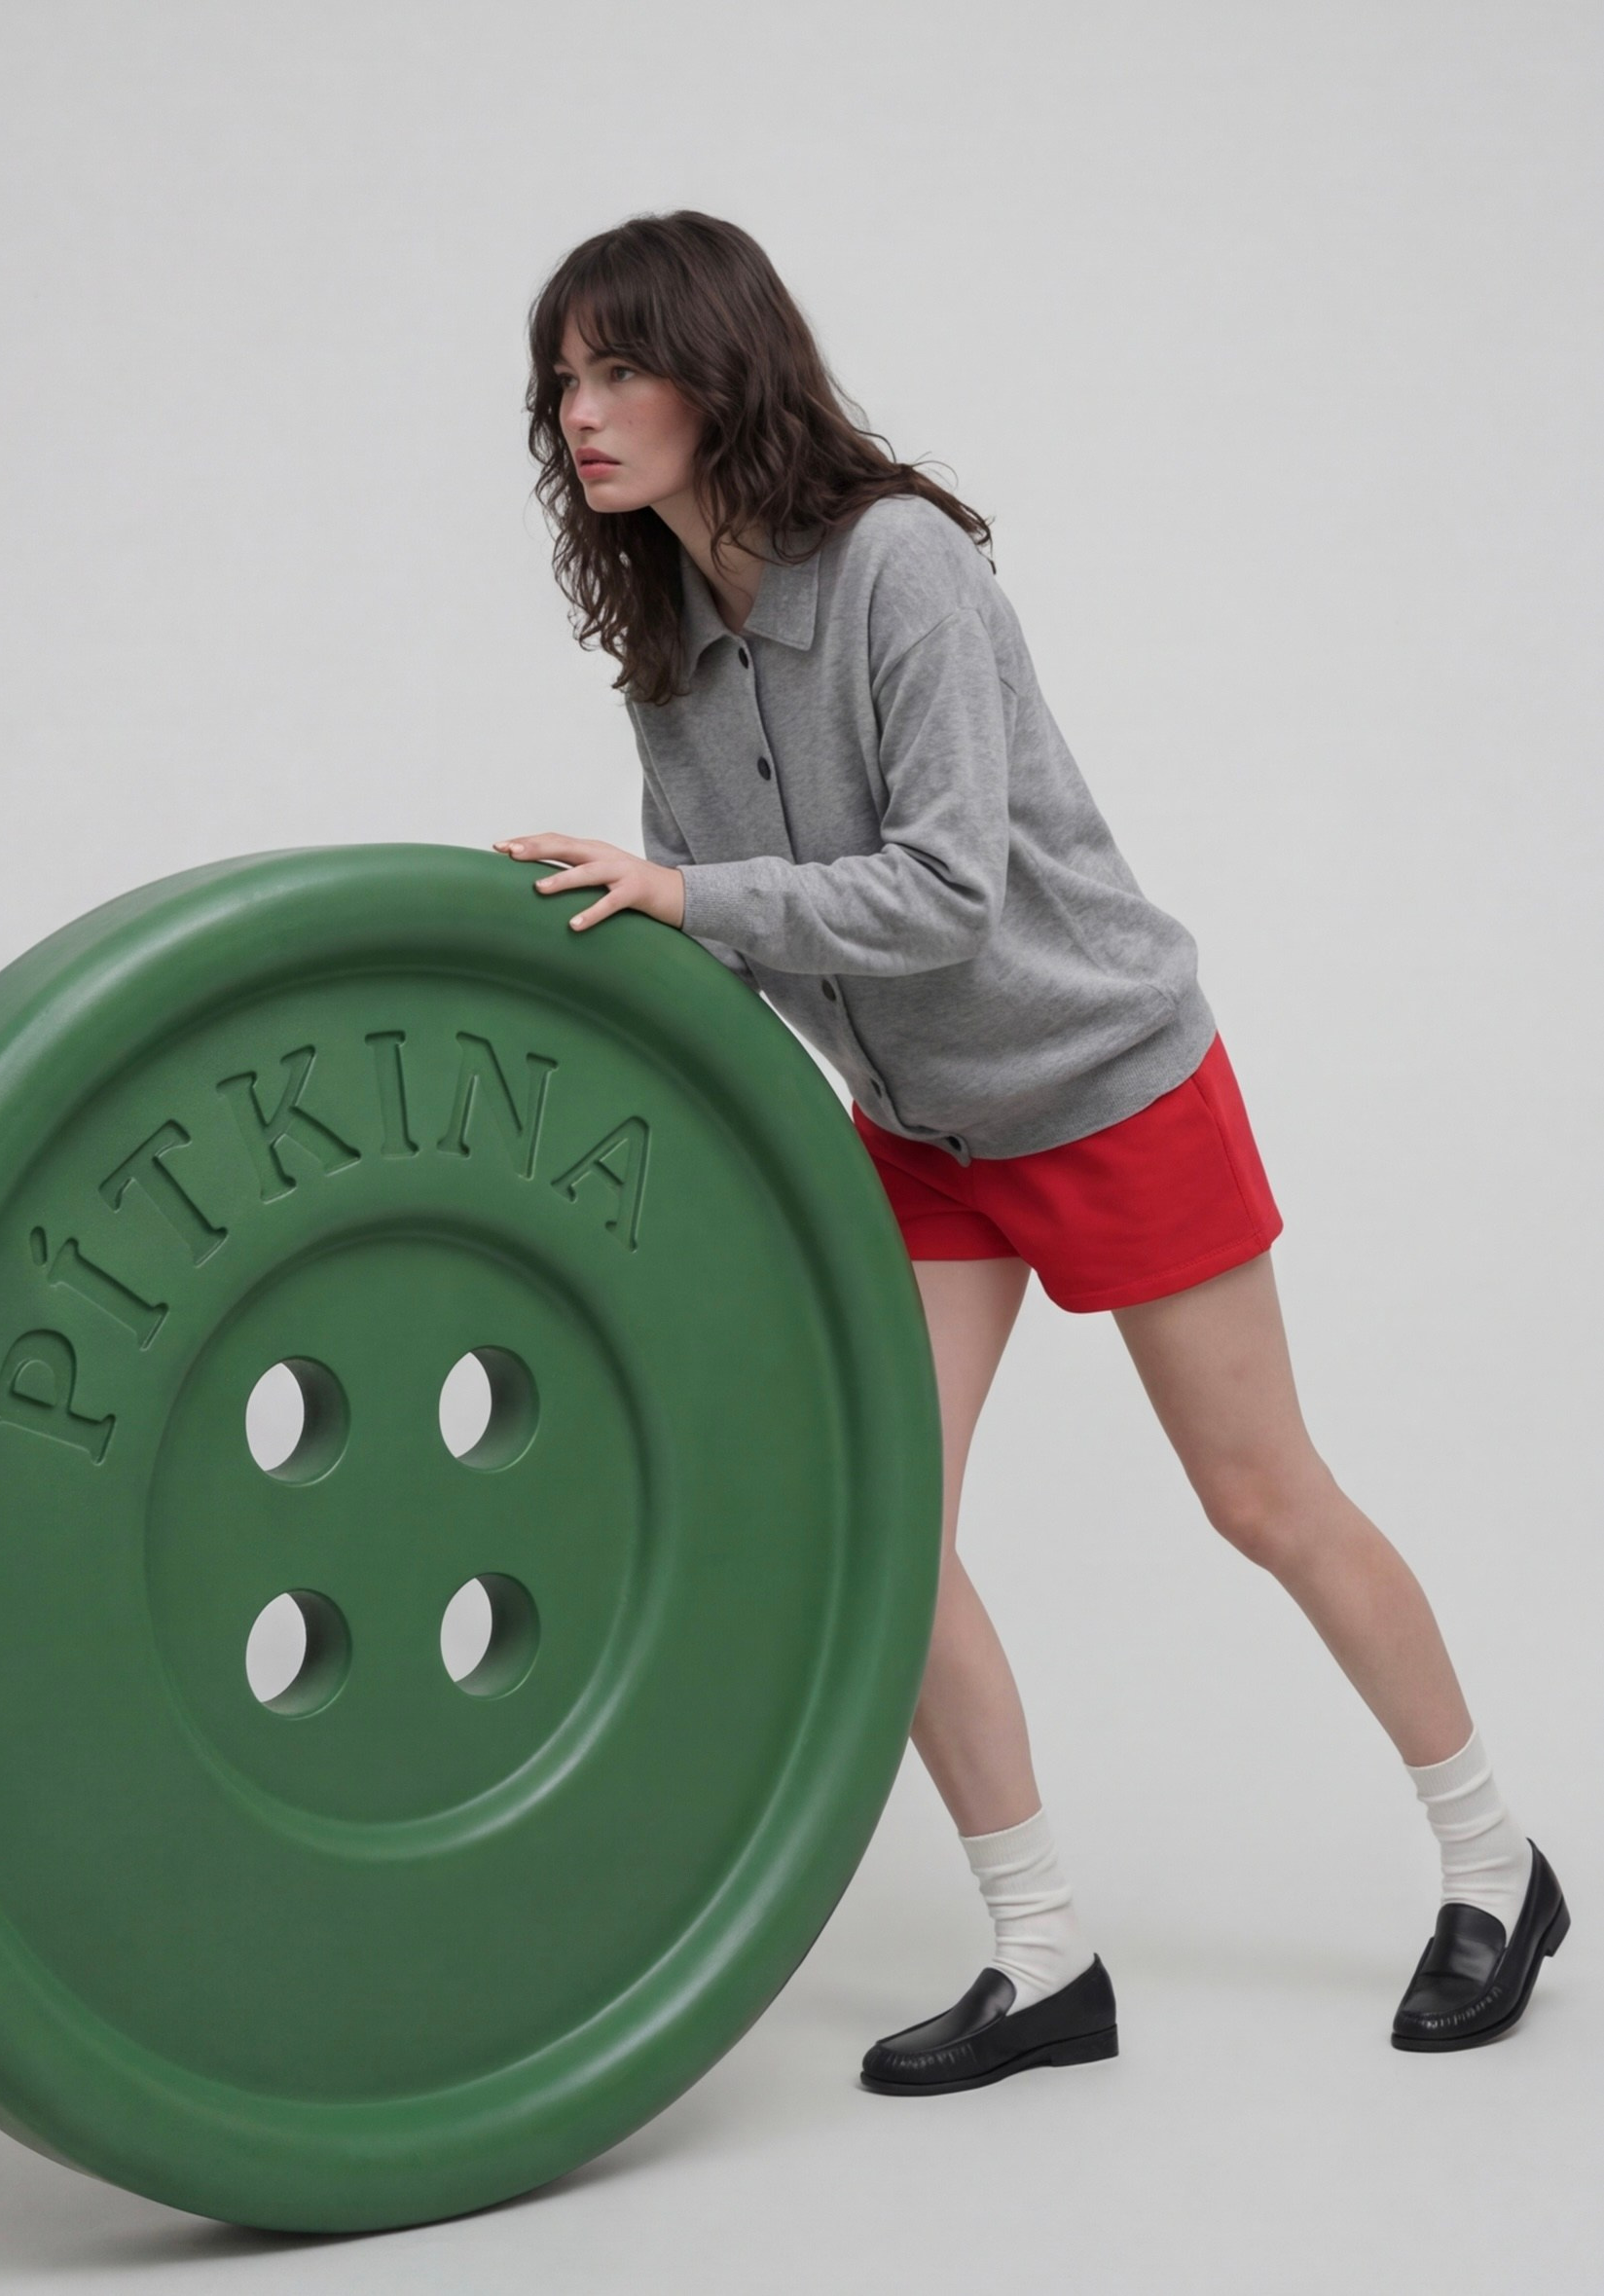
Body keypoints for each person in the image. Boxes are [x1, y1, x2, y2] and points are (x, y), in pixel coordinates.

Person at [495, 208, 1569, 2091]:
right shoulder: (664, 646)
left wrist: (683, 894)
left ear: (719, 374)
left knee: (1260, 1497)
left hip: (1106, 1082)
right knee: (884, 1530)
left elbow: (940, 893)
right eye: (562, 379)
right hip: (921, 1135)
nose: (581, 411)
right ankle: (1042, 1952)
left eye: (621, 368)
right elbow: (715, 940)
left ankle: (1497, 1866)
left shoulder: (896, 566)